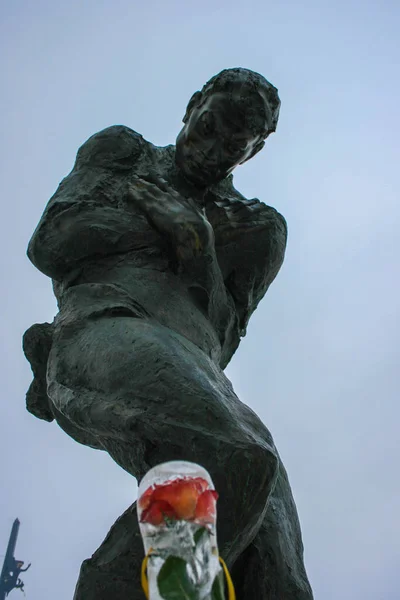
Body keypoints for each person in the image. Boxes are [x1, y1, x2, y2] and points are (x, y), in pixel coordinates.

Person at [24, 68, 312, 598]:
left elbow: (222, 341)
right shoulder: (123, 153)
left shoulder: (257, 227)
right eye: (209, 127)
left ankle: (174, 582)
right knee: (233, 455)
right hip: (103, 326)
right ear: (193, 105)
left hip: (199, 371)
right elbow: (52, 241)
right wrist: (167, 227)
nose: (212, 151)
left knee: (277, 561)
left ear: (253, 152)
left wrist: (197, 244)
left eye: (233, 146)